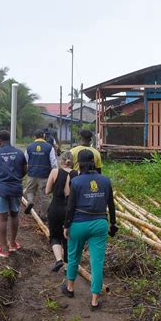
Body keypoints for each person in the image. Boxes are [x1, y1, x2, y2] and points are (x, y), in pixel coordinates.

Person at [61, 149, 118, 310]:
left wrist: (66, 225)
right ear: (93, 162)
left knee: (73, 257)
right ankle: (94, 300)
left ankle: (70, 289)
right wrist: (112, 223)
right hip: (99, 223)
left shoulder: (76, 181)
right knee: (97, 262)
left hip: (79, 223)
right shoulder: (105, 181)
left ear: (79, 163)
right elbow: (111, 205)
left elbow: (70, 206)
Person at [0, 130, 27, 257]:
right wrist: (17, 178)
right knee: (14, 215)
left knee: (2, 218)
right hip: (16, 188)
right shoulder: (19, 152)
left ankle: (4, 249)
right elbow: (25, 170)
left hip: (1, 189)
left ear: (0, 141)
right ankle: (13, 243)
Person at [45, 151, 78, 272]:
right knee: (67, 236)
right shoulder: (77, 174)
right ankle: (68, 264)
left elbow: (47, 191)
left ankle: (59, 260)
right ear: (72, 161)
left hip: (55, 208)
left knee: (55, 235)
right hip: (70, 210)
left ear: (61, 161)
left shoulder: (55, 172)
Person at [23, 130, 57, 220]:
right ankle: (43, 214)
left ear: (35, 136)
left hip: (32, 174)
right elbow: (54, 163)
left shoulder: (29, 147)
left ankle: (30, 201)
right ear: (44, 136)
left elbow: (25, 161)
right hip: (45, 175)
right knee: (45, 195)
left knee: (30, 190)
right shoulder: (49, 147)